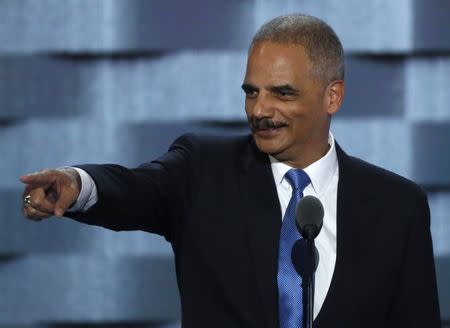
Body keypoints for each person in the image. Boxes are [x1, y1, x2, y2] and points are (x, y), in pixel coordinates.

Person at [20, 14, 440, 328]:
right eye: (251, 92)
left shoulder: (398, 206)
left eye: (282, 93)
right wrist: (79, 184)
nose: (260, 110)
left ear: (332, 96)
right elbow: (139, 189)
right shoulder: (201, 172)